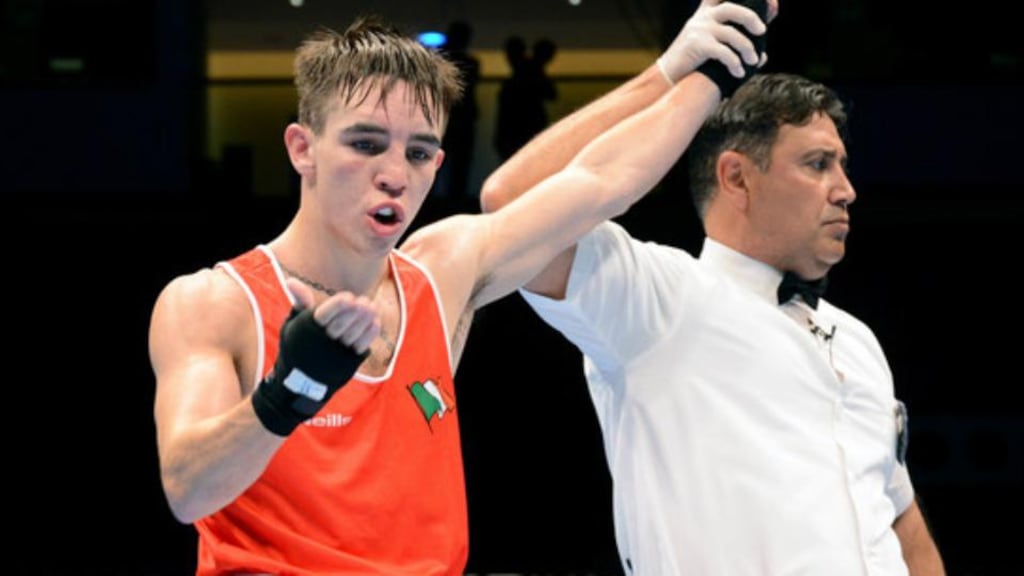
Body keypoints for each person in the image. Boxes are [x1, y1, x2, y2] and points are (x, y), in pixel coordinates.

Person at [149, 4, 773, 574]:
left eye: (419, 154)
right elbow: (186, 488)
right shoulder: (214, 302)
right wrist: (290, 391)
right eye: (365, 144)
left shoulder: (441, 272)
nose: (394, 174)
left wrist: (694, 71)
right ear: (301, 148)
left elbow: (600, 179)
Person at [480, 14, 947, 576]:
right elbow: (512, 203)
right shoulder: (660, 301)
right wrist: (671, 75)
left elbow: (899, 516)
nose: (846, 191)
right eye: (818, 164)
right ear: (737, 178)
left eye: (842, 166)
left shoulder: (858, 341)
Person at [435, 19, 481, 202]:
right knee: (453, 166)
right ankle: (447, 203)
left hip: (452, 118)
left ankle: (446, 203)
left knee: (455, 166)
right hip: (451, 118)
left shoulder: (446, 61)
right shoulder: (467, 62)